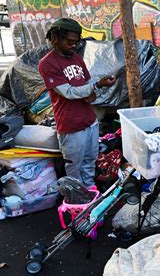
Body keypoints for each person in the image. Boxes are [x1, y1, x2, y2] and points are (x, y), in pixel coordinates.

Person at [38, 18, 116, 188]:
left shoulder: (76, 58)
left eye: (76, 42)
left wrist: (95, 91)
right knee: (74, 167)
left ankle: (89, 193)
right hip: (71, 126)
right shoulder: (47, 63)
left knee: (90, 162)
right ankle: (76, 199)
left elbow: (87, 85)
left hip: (90, 121)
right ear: (55, 39)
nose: (74, 46)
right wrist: (96, 85)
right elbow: (68, 92)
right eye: (70, 41)